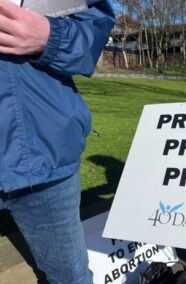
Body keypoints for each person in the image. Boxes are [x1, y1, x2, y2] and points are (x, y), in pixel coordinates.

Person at [0, 0, 115, 283]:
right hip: (43, 150)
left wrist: (49, 36)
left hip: (44, 154)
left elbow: (94, 26)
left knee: (71, 279)